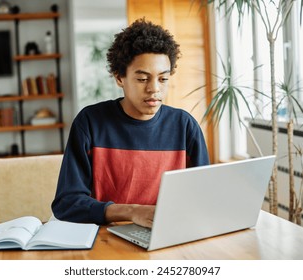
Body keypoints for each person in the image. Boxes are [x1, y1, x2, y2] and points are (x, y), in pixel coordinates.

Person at [51, 18, 209, 228]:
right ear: (119, 78)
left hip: (166, 235)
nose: (154, 89)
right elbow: (66, 204)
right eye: (143, 79)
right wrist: (132, 211)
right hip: (106, 239)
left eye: (163, 79)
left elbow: (203, 198)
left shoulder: (185, 126)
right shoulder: (90, 123)